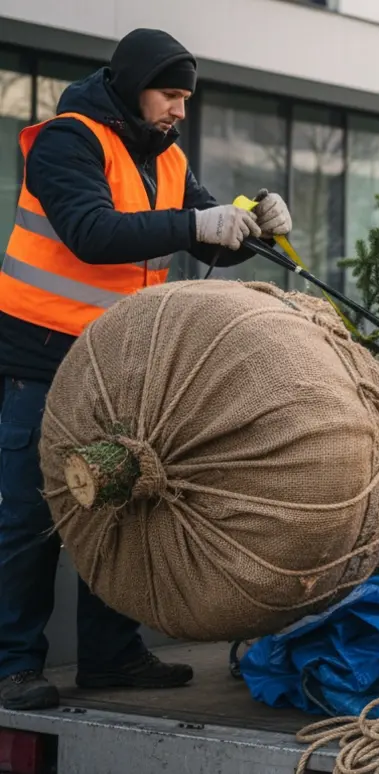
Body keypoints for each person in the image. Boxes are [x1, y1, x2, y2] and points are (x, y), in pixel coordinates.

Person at [0, 28, 293, 711]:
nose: (180, 110)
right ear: (133, 88)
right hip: (40, 360)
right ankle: (11, 666)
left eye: (186, 97)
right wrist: (198, 225)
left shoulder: (166, 156)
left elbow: (207, 234)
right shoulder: (67, 141)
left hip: (119, 366)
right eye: (169, 95)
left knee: (121, 508)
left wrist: (257, 225)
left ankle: (111, 658)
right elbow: (92, 232)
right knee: (31, 518)